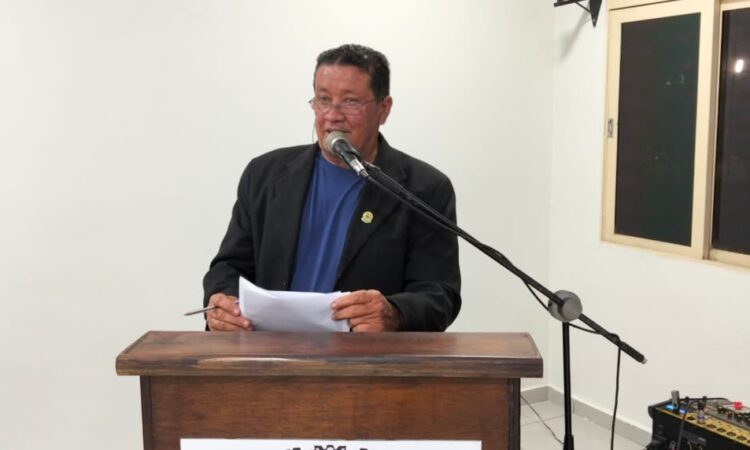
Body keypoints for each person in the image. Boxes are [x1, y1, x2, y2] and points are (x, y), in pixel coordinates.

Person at [202, 44, 461, 332]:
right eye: (323, 100)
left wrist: (394, 312)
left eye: (350, 101)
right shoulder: (264, 174)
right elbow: (228, 268)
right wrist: (222, 304)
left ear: (383, 109)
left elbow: (440, 295)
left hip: (364, 356)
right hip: (268, 351)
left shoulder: (424, 189)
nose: (333, 115)